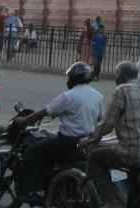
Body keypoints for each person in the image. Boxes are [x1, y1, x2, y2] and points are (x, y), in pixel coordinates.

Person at [19, 62, 104, 195]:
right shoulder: (98, 96)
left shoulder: (68, 96)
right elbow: (99, 118)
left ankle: (30, 190)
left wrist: (25, 120)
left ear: (73, 79)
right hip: (86, 142)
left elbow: (44, 112)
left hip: (67, 142)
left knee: (32, 151)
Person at [87, 61, 140, 207]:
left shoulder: (122, 90)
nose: (115, 79)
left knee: (95, 158)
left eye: (116, 75)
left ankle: (113, 202)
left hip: (132, 152)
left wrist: (92, 138)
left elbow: (107, 124)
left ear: (122, 76)